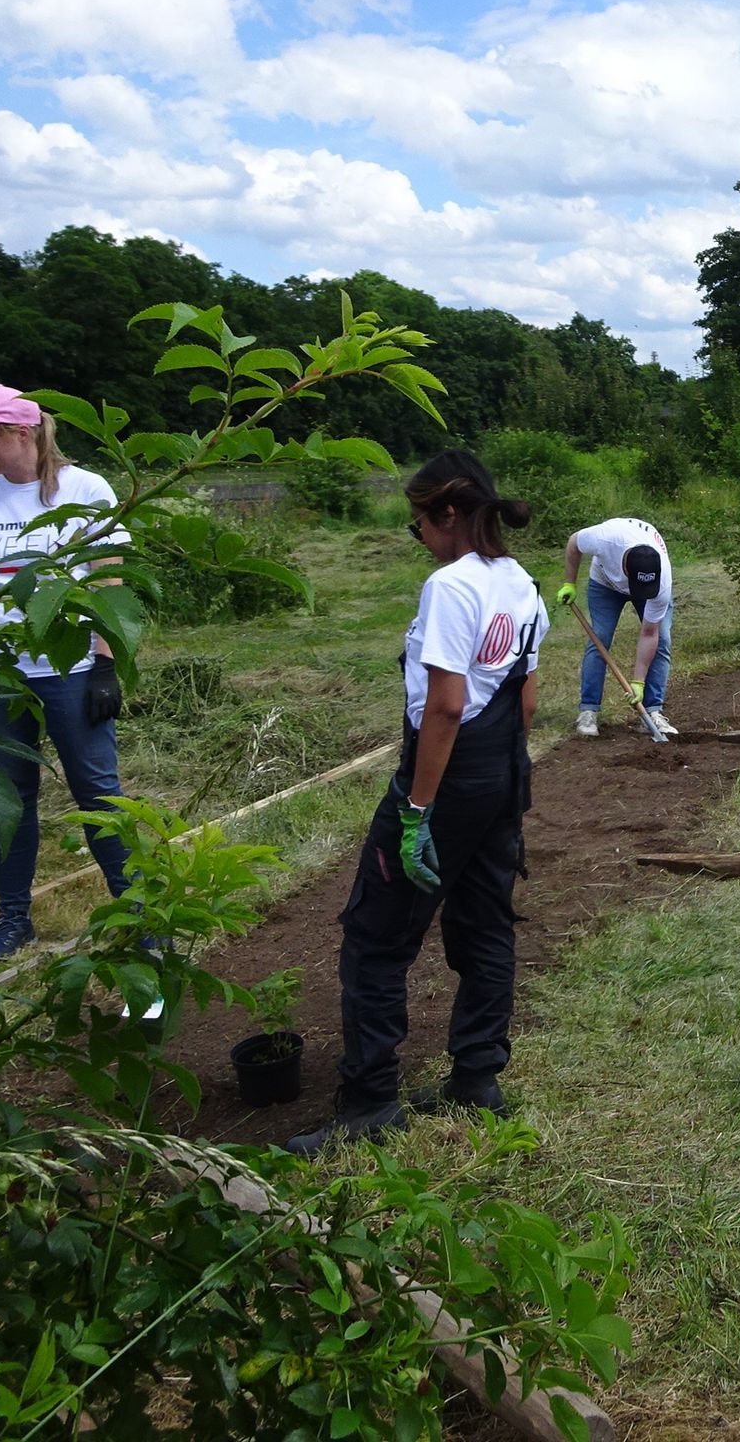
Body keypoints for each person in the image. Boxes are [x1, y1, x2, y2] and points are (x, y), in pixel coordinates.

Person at [290, 451, 546, 1157]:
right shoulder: (521, 583)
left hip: (447, 775)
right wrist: (503, 788)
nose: (420, 538)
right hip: (502, 773)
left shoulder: (450, 587)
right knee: (485, 924)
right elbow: (524, 695)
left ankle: (371, 1101)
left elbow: (445, 706)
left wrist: (416, 811)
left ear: (450, 514)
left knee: (375, 939)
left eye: (418, 525)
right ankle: (477, 1077)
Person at [0, 385, 132, 962]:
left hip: (69, 667)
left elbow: (107, 577)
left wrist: (105, 661)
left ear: (22, 432)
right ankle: (14, 918)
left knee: (97, 791)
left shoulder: (85, 489)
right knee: (7, 799)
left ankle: (141, 909)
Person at [553, 515, 675, 740]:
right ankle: (588, 711)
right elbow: (573, 542)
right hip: (605, 584)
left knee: (663, 641)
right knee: (600, 638)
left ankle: (652, 712)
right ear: (625, 567)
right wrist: (569, 582)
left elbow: (650, 633)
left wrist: (638, 682)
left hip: (648, 587)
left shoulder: (661, 582)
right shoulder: (605, 538)